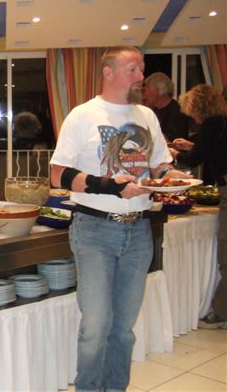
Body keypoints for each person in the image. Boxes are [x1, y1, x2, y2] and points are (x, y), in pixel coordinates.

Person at [49, 46, 190, 391]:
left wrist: (171, 176)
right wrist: (111, 186)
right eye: (133, 69)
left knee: (124, 329)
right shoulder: (83, 115)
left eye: (142, 69)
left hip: (138, 230)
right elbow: (58, 174)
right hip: (94, 229)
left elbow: (158, 164)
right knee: (96, 325)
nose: (141, 76)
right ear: (108, 73)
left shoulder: (147, 116)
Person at [170, 84, 227, 329]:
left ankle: (221, 313)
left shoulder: (212, 125)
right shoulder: (221, 123)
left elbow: (195, 159)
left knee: (226, 252)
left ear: (198, 107)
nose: (191, 115)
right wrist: (191, 145)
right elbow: (211, 149)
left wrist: (173, 153)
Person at [142, 72, 191, 142]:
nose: (145, 94)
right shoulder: (154, 111)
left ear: (158, 90)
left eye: (147, 89)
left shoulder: (177, 112)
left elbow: (174, 141)